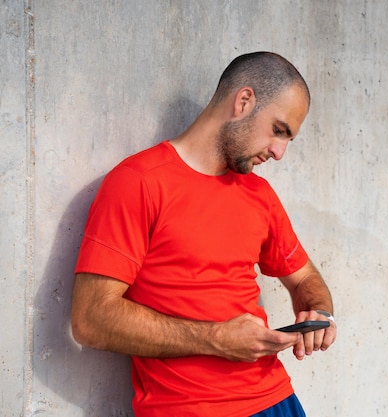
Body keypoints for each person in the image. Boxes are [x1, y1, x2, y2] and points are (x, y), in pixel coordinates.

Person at [70, 51, 336, 417]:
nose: (279, 153)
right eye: (279, 130)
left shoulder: (258, 195)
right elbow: (90, 319)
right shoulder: (139, 183)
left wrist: (319, 314)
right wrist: (215, 339)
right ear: (243, 101)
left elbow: (304, 276)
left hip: (278, 402)